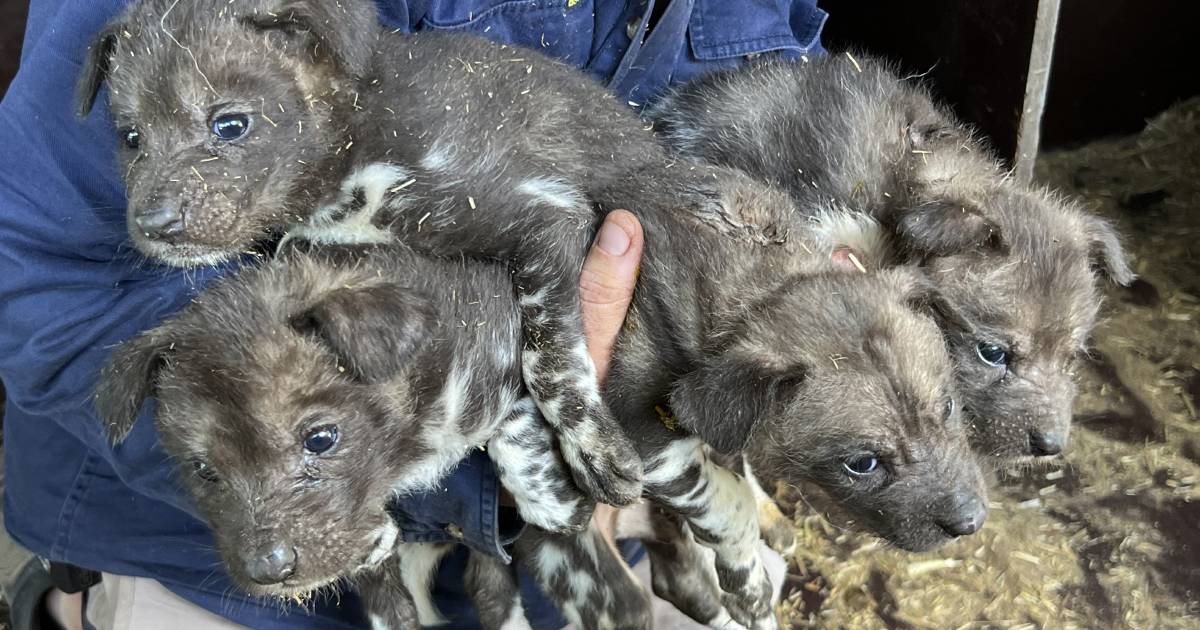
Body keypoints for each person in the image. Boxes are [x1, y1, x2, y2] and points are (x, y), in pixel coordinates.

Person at [0, 1, 827, 628]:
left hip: (577, 513)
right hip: (204, 557)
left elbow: (792, 138)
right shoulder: (198, 36)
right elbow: (37, 289)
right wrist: (513, 428)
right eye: (134, 141)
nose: (159, 201)